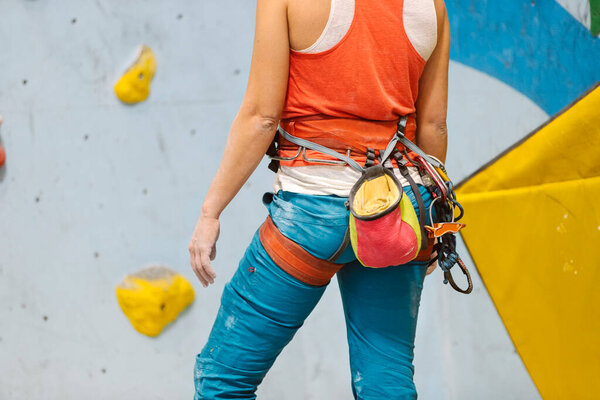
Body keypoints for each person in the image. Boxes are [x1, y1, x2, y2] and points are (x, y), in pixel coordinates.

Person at [189, 0, 450, 398]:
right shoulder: (432, 6)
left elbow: (262, 116)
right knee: (386, 383)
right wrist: (433, 224)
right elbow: (433, 125)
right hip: (397, 211)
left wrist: (211, 211)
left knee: (223, 379)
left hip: (313, 213)